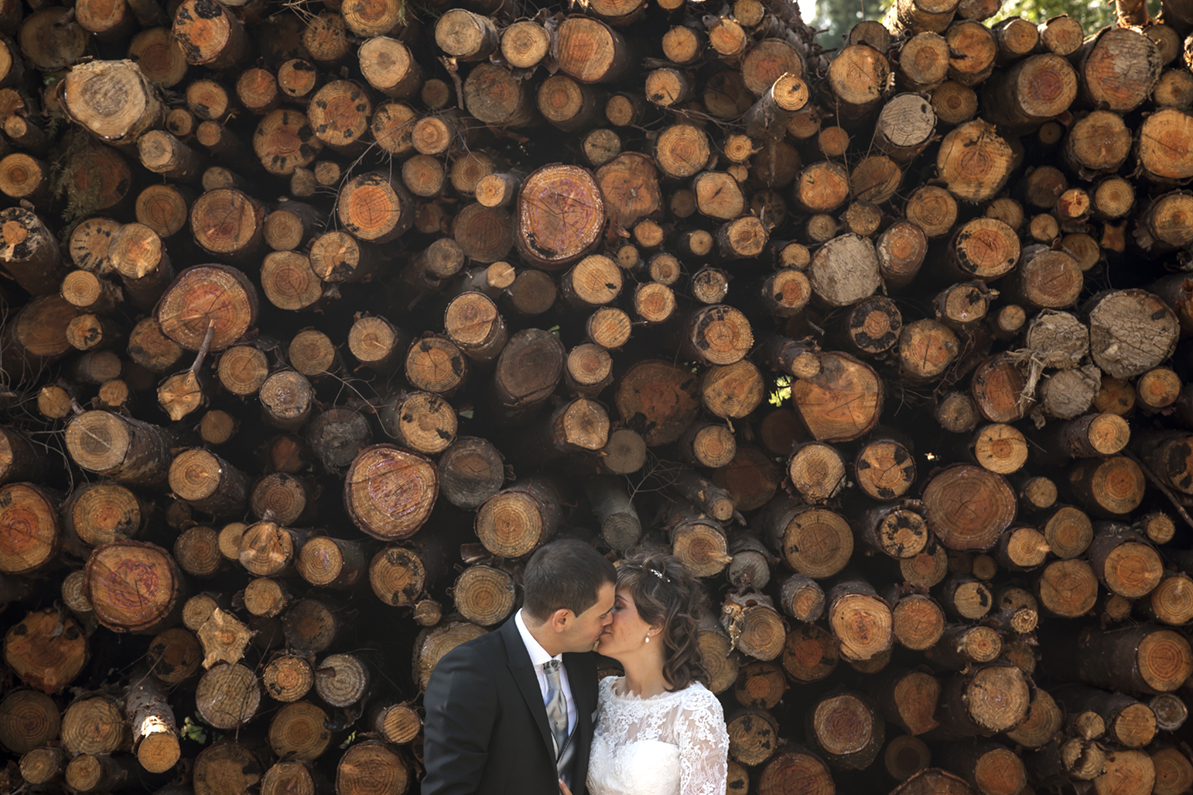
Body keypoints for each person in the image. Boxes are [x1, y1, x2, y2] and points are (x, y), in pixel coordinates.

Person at [422, 538, 618, 795]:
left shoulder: (581, 662)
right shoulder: (470, 673)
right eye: (602, 614)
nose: (610, 620)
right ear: (562, 619)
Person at [577, 551, 730, 795]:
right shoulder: (604, 693)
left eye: (617, 607)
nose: (604, 618)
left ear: (656, 623)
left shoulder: (695, 709)